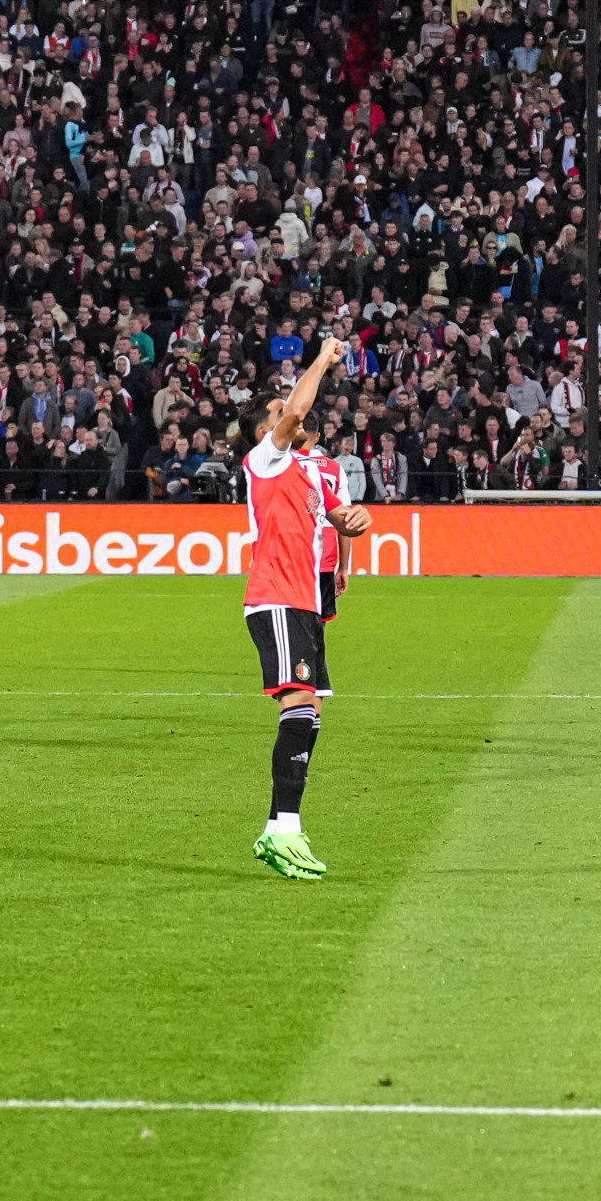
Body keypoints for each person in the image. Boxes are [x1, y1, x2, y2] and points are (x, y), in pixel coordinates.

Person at [242, 339, 362, 880]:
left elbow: (338, 515)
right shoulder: (265, 459)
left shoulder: (305, 473)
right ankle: (280, 828)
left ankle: (282, 826)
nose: (289, 410)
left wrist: (353, 522)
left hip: (303, 603)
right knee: (301, 705)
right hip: (276, 597)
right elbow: (294, 410)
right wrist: (321, 358)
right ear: (264, 432)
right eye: (276, 411)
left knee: (308, 713)